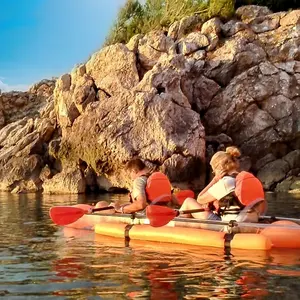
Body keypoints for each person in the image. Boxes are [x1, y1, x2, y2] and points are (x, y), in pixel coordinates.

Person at [179, 146, 266, 222]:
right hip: (246, 218)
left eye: (214, 170)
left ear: (220, 168)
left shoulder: (226, 182)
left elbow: (200, 199)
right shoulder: (241, 179)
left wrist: (215, 180)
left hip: (228, 223)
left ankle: (175, 227)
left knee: (188, 202)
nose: (213, 172)